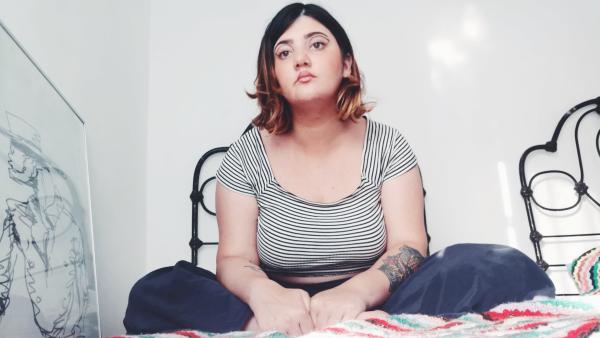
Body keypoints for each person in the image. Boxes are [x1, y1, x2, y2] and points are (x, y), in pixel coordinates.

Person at [123, 3, 554, 336]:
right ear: (273, 76)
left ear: (347, 64)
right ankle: (270, 330)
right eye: (284, 51)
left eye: (317, 44)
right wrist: (267, 298)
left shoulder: (388, 145)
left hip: (375, 298)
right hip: (277, 303)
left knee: (497, 264)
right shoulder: (244, 156)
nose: (301, 59)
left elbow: (408, 246)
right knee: (156, 289)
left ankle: (365, 326)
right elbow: (234, 259)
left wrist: (356, 294)